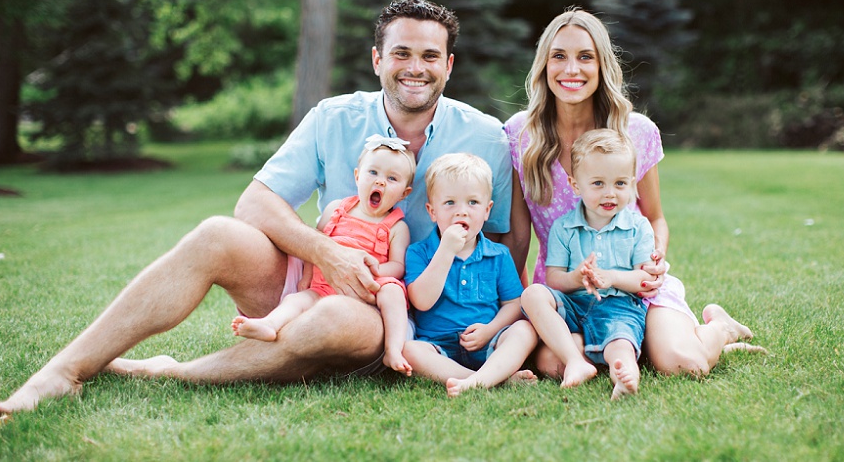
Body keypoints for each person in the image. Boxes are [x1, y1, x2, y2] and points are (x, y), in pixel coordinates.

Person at [0, 0, 512, 417]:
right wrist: (326, 253)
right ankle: (62, 372)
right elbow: (255, 202)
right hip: (315, 281)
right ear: (378, 59)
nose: (414, 68)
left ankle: (173, 369)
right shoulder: (333, 117)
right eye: (401, 53)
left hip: (397, 318)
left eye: (428, 57)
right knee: (216, 233)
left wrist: (490, 334)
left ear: (448, 65)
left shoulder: (486, 137)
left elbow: (506, 242)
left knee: (330, 320)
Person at [502, 7, 763, 379]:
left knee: (681, 365)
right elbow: (517, 235)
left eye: (585, 57)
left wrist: (654, 259)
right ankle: (623, 347)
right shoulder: (519, 134)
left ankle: (718, 328)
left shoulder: (635, 132)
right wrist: (517, 308)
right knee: (551, 364)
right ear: (543, 65)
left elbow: (655, 217)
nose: (571, 69)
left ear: (602, 65)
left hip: (634, 284)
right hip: (570, 291)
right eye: (559, 56)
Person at [231, 135, 416, 376]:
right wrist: (307, 277)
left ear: (404, 192)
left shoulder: (396, 226)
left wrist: (374, 272)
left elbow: (398, 266)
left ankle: (393, 349)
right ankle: (269, 324)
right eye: (373, 173)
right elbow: (316, 246)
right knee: (296, 301)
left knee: (393, 292)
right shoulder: (336, 210)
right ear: (358, 176)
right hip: (324, 283)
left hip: (368, 288)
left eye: (392, 179)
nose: (380, 182)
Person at [521, 129, 654, 399]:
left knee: (619, 343)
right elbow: (554, 279)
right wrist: (576, 278)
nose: (610, 194)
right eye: (597, 184)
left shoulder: (638, 226)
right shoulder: (564, 227)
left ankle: (625, 376)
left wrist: (612, 277)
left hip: (617, 305)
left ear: (631, 184)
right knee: (533, 294)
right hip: (573, 306)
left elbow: (645, 280)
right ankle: (576, 361)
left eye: (620, 184)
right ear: (575, 185)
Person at [401, 153, 538, 397]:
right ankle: (489, 379)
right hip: (439, 347)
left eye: (472, 203)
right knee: (410, 350)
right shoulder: (419, 252)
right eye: (450, 203)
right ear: (432, 212)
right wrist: (445, 251)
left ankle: (487, 374)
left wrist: (490, 329)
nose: (461, 212)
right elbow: (421, 301)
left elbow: (514, 303)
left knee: (524, 331)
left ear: (487, 210)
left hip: (489, 345)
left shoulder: (498, 255)